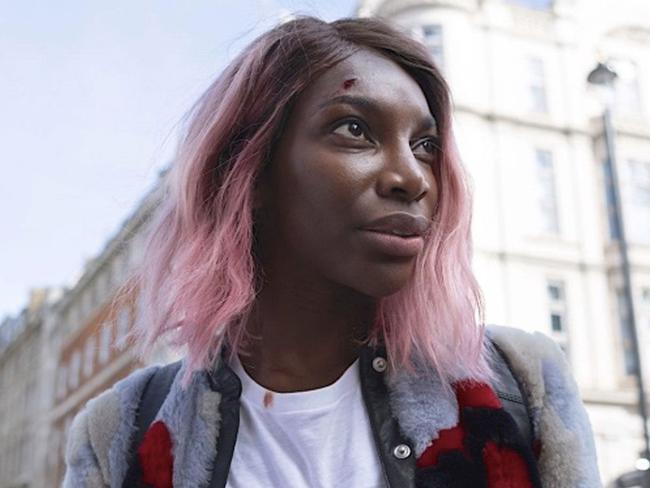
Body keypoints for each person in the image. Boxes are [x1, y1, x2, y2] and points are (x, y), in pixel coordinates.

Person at [63, 16, 600, 488]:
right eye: (355, 129)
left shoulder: (521, 387)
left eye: (425, 146)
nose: (412, 178)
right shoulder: (123, 432)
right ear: (249, 173)